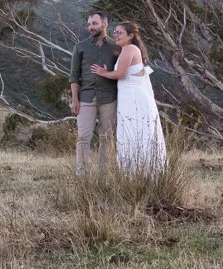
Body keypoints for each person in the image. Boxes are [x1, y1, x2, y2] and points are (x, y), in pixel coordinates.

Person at [90, 21, 167, 174]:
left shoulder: (129, 49)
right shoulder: (129, 49)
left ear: (130, 36)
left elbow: (121, 74)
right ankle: (142, 170)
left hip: (133, 98)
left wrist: (103, 73)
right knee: (137, 132)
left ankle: (136, 172)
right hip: (131, 96)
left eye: (120, 32)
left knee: (133, 132)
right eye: (115, 32)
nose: (115, 35)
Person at [70, 11, 118, 175]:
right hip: (86, 98)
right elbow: (74, 76)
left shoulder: (116, 47)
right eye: (89, 24)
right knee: (83, 137)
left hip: (109, 98)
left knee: (107, 138)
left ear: (105, 24)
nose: (91, 27)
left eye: (94, 23)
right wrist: (75, 100)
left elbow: (122, 72)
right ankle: (81, 176)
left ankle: (104, 177)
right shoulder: (80, 47)